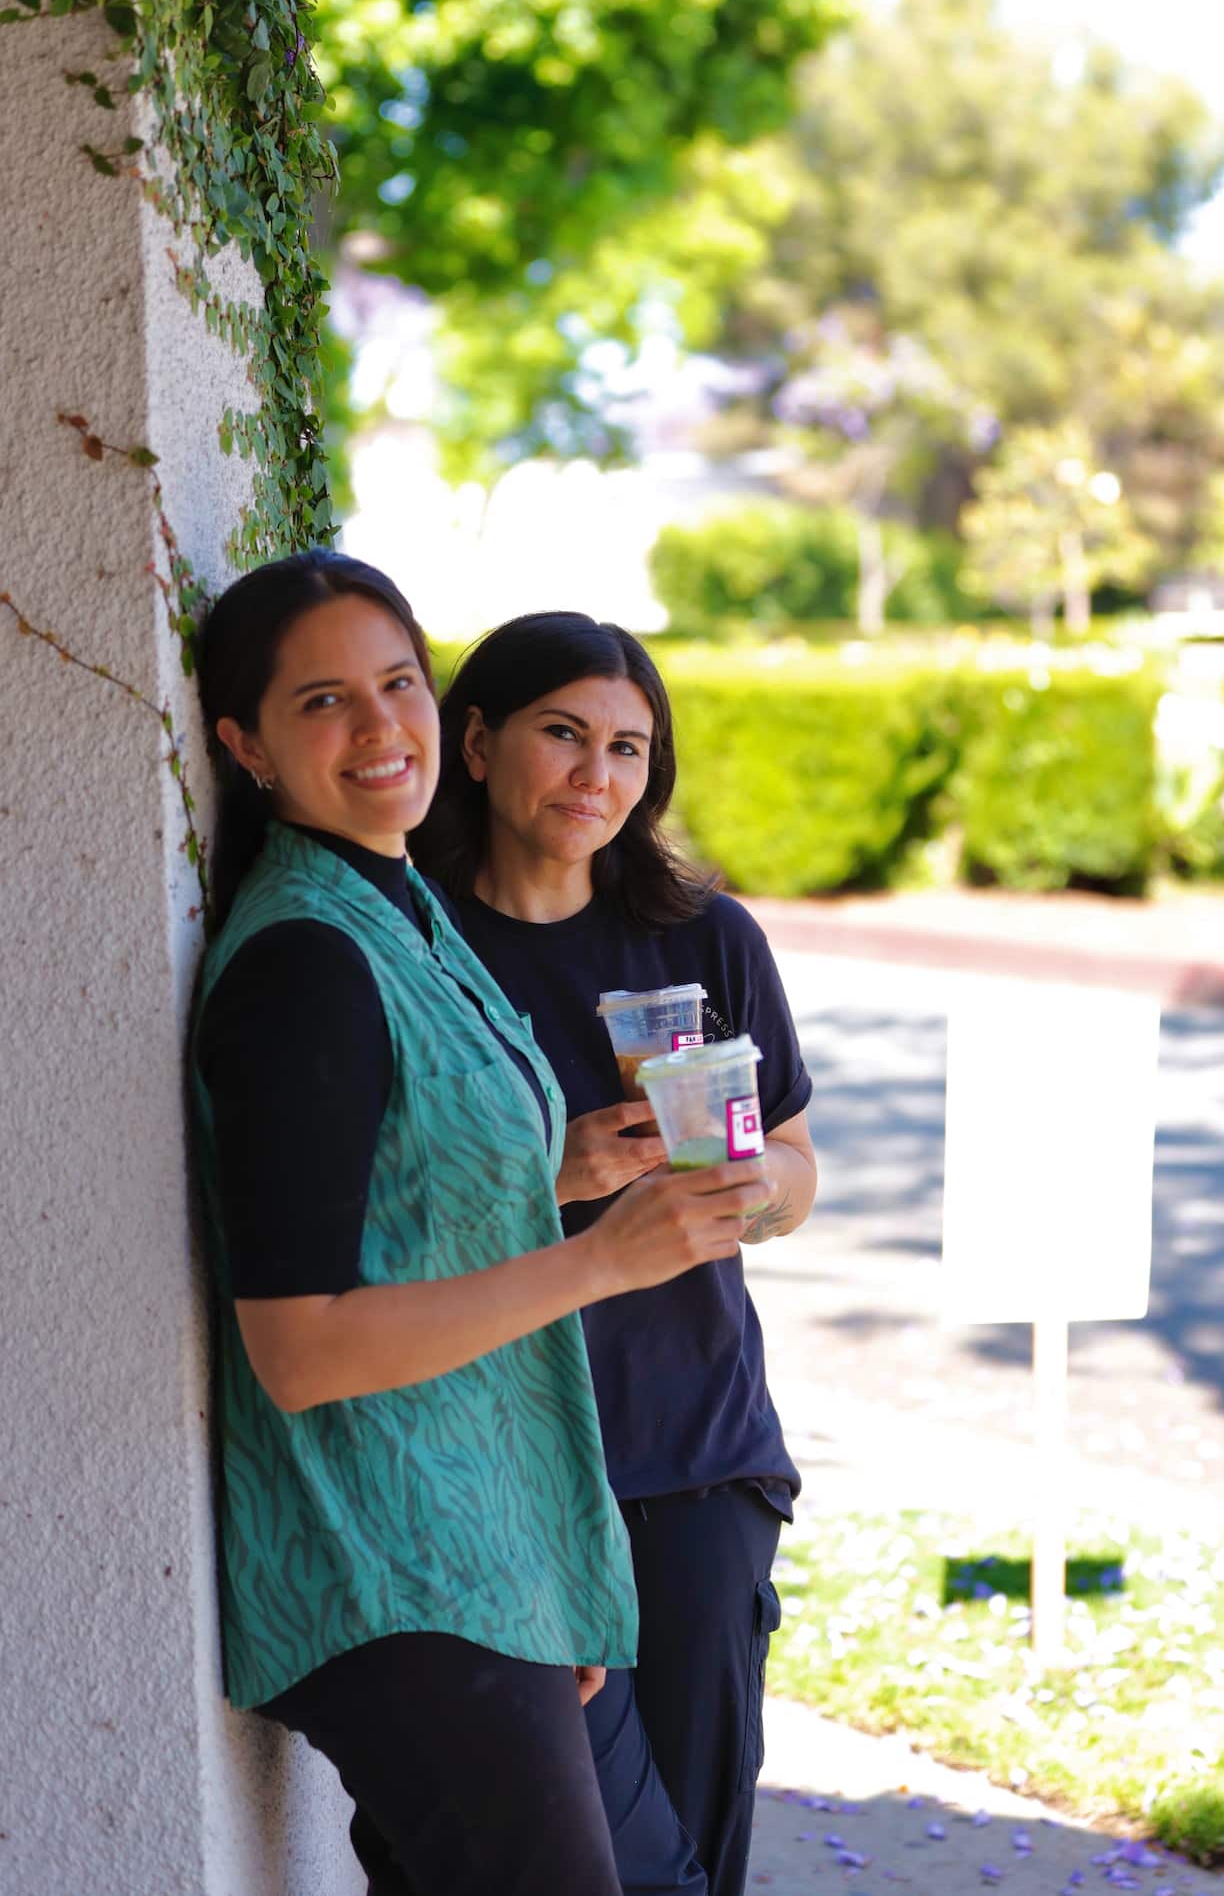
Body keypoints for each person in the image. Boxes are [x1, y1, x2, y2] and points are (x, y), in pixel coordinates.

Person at [191, 554, 770, 1896]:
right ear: (244, 743)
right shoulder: (302, 961)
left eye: (396, 682)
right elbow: (301, 1349)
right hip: (400, 1567)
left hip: (504, 1538)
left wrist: (559, 1171)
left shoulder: (396, 909)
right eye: (323, 700)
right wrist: (596, 1259)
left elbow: (401, 1194)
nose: (380, 727)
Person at [412, 611, 817, 1896]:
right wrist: (558, 1176)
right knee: (550, 1856)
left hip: (695, 1460)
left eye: (629, 748)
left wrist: (744, 1199)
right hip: (498, 1482)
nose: (597, 776)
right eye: (563, 735)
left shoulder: (703, 939)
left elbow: (800, 1169)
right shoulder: (414, 948)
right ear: (475, 743)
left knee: (689, 1857)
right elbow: (360, 1212)